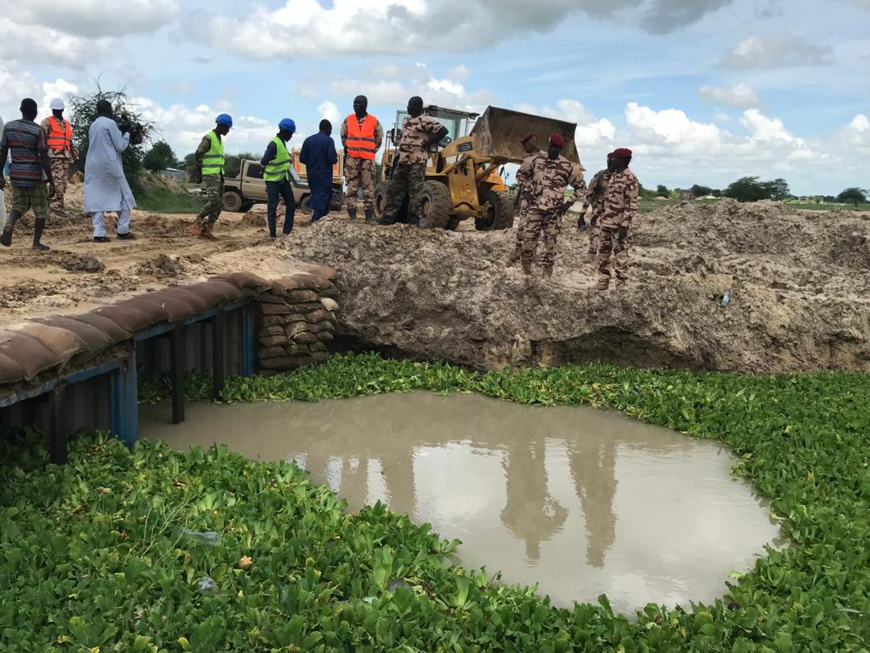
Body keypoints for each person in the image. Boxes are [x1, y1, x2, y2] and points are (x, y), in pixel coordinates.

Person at [517, 132, 586, 279]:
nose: (552, 150)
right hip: (535, 209)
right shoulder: (536, 160)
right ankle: (527, 273)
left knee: (550, 245)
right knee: (528, 242)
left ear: (560, 149)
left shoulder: (568, 166)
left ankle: (547, 274)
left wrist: (568, 204)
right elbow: (521, 175)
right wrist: (527, 190)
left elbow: (581, 188)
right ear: (548, 145)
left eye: (556, 148)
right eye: (551, 147)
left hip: (554, 213)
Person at [378, 96, 448, 227]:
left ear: (418, 107)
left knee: (415, 193)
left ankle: (413, 221)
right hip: (403, 161)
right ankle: (387, 218)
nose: (408, 107)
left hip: (417, 162)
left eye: (410, 105)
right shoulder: (406, 120)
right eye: (408, 105)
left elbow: (443, 131)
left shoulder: (426, 120)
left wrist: (429, 142)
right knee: (394, 190)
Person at [0, 98, 55, 250]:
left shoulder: (9, 127)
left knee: (18, 204)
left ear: (21, 110)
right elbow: (43, 156)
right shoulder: (38, 130)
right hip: (35, 175)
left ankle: (9, 225)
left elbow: (3, 151)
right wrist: (51, 181)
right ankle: (36, 242)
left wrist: (0, 174)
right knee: (41, 208)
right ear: (35, 112)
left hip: (16, 174)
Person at [83, 100, 136, 242]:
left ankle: (98, 234)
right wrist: (127, 133)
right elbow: (120, 146)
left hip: (92, 165)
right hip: (109, 165)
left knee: (97, 198)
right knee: (124, 195)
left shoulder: (93, 125)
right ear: (109, 109)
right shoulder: (110, 123)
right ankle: (123, 230)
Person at [597, 147, 638, 290]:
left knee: (620, 255)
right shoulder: (614, 176)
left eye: (614, 158)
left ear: (621, 160)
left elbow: (632, 204)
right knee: (603, 253)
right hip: (606, 223)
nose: (611, 160)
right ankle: (603, 281)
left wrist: (624, 225)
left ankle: (621, 284)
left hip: (618, 225)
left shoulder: (630, 178)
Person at [340, 95, 383, 223]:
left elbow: (378, 139)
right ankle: (352, 216)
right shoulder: (348, 120)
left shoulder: (374, 121)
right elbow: (343, 137)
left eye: (358, 103)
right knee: (351, 187)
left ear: (365, 105)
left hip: (367, 160)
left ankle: (369, 217)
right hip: (352, 158)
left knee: (369, 188)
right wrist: (350, 150)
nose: (355, 105)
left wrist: (370, 150)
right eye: (354, 103)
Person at [190, 114, 232, 240]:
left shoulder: (219, 139)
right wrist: (199, 171)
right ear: (222, 126)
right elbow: (198, 154)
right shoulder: (209, 138)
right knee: (214, 201)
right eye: (227, 128)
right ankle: (197, 221)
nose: (228, 131)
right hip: (210, 174)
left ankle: (207, 229)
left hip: (219, 174)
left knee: (219, 204)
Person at [508, 132, 544, 265]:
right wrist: (528, 190)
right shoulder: (529, 159)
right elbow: (520, 176)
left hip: (540, 199)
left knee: (535, 227)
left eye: (526, 145)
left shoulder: (544, 158)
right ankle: (519, 250)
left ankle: (531, 252)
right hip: (529, 199)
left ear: (533, 144)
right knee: (523, 225)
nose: (525, 148)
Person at [260, 118, 297, 240]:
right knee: (272, 207)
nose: (291, 136)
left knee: (291, 204)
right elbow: (264, 161)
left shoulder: (282, 143)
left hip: (282, 179)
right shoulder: (274, 144)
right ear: (285, 131)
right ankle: (272, 234)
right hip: (272, 180)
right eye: (291, 133)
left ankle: (286, 232)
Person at [41, 98, 77, 215]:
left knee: (63, 183)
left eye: (58, 110)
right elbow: (42, 140)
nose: (56, 112)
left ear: (62, 110)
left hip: (65, 156)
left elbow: (69, 140)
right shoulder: (47, 122)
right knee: (57, 183)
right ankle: (55, 207)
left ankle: (56, 205)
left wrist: (74, 153)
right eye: (54, 110)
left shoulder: (66, 124)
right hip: (54, 157)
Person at [299, 119, 338, 223]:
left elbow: (302, 158)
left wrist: (312, 162)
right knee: (323, 198)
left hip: (311, 175)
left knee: (316, 195)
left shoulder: (308, 140)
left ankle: (317, 218)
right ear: (328, 129)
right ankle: (316, 220)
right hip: (324, 176)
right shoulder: (329, 141)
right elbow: (332, 159)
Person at [580, 152, 615, 259]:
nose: (610, 164)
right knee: (595, 237)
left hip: (614, 214)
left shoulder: (620, 178)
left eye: (612, 162)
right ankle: (592, 259)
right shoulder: (600, 176)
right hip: (598, 213)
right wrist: (582, 215)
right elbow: (589, 195)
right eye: (608, 162)